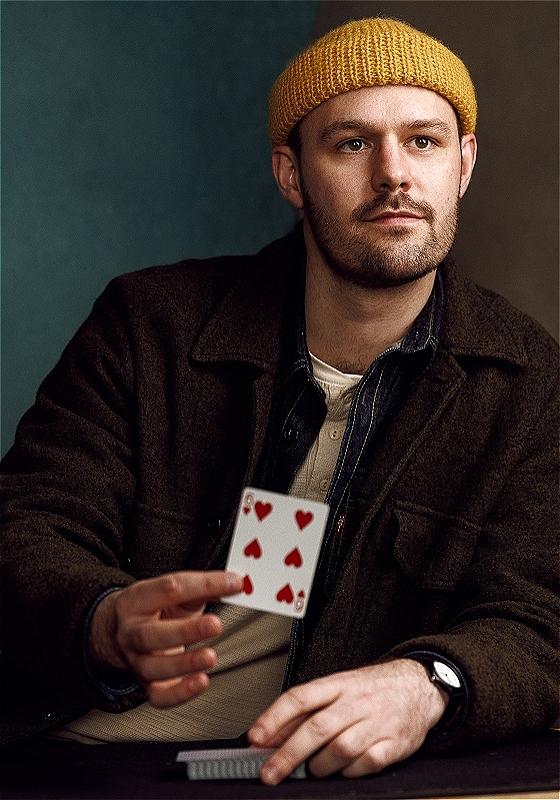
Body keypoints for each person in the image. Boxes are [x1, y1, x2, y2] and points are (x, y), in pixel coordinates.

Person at [1, 17, 558, 786]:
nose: (394, 174)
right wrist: (99, 619)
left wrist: (428, 683)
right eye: (352, 144)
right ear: (291, 174)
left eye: (424, 142)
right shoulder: (149, 324)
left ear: (463, 165)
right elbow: (28, 524)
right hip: (83, 752)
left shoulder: (530, 382)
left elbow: (539, 619)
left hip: (307, 774)